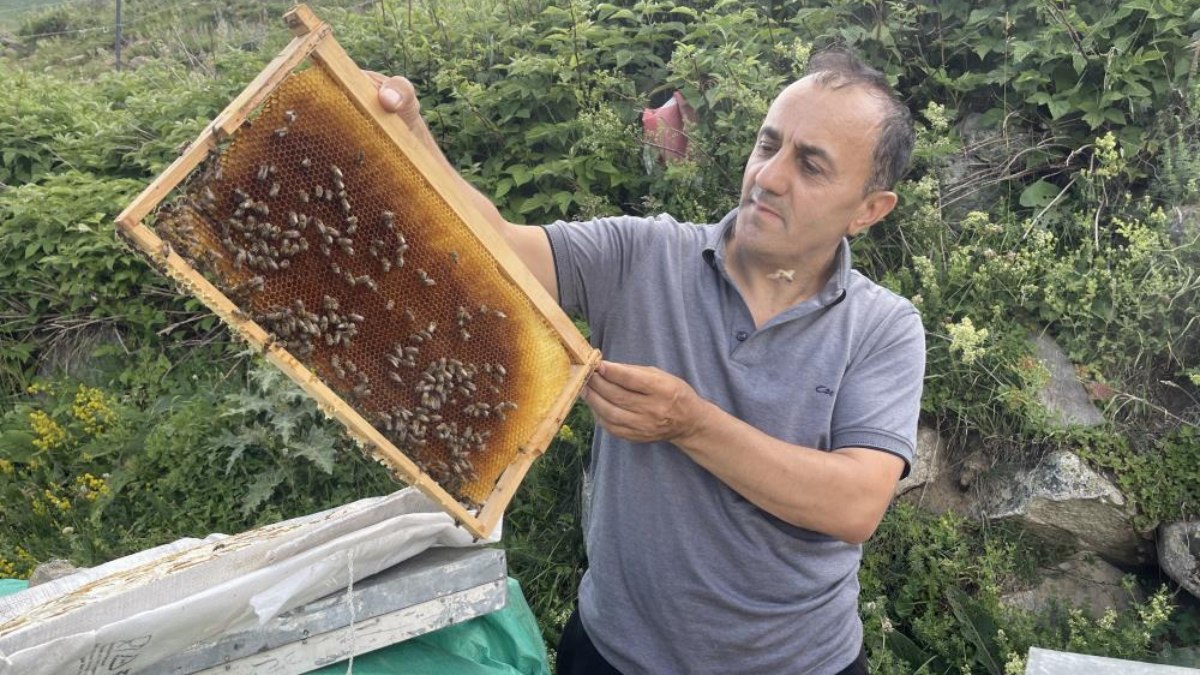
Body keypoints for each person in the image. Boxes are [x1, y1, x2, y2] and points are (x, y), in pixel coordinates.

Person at [372, 46, 925, 675]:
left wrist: (690, 423)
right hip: (616, 653)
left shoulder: (883, 328)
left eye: (812, 165)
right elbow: (495, 249)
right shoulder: (643, 255)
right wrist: (408, 133)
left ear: (868, 210)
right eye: (768, 145)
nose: (769, 176)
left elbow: (853, 506)